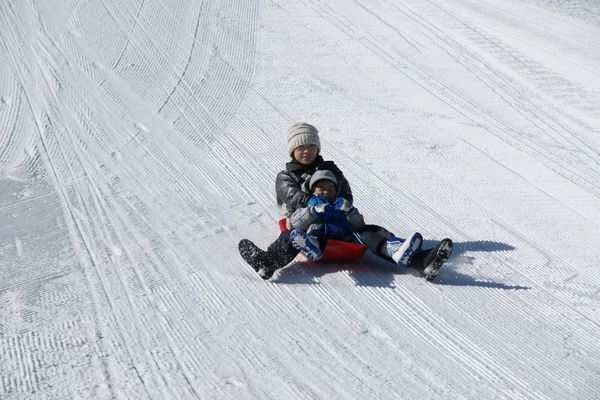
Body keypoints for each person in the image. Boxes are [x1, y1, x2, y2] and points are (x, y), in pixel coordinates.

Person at [238, 123, 452, 281]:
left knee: (374, 231)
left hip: (339, 221)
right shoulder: (285, 175)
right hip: (305, 220)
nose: (307, 150)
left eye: (311, 145)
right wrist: (311, 200)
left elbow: (346, 191)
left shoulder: (331, 168)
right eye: (301, 147)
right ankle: (268, 262)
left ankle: (420, 261)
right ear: (293, 151)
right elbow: (289, 195)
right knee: (291, 237)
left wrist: (342, 204)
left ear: (318, 148)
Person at [288, 169, 423, 268]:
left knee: (369, 235)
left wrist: (350, 211)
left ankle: (393, 250)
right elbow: (295, 221)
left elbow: (359, 225)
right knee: (316, 236)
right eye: (321, 188)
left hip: (348, 238)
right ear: (312, 191)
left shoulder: (341, 203)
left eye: (331, 188)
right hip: (323, 238)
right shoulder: (311, 205)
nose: (326, 191)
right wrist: (313, 212)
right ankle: (313, 246)